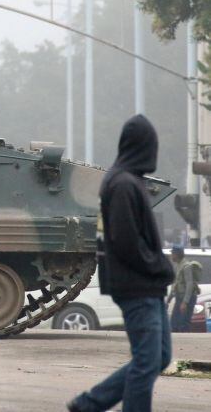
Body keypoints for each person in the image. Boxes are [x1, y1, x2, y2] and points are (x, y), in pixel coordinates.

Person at [68, 115, 174, 412]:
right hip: (137, 285)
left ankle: (89, 405)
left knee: (158, 358)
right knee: (146, 361)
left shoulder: (128, 180)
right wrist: (160, 267)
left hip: (146, 285)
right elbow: (127, 242)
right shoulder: (124, 184)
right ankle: (91, 405)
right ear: (143, 147)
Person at [168, 245, 200, 332]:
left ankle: (186, 343)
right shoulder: (178, 266)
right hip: (179, 297)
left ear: (177, 254)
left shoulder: (186, 266)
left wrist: (185, 302)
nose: (171, 256)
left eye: (172, 254)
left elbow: (189, 284)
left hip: (187, 298)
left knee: (183, 324)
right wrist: (169, 299)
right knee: (174, 323)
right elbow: (175, 284)